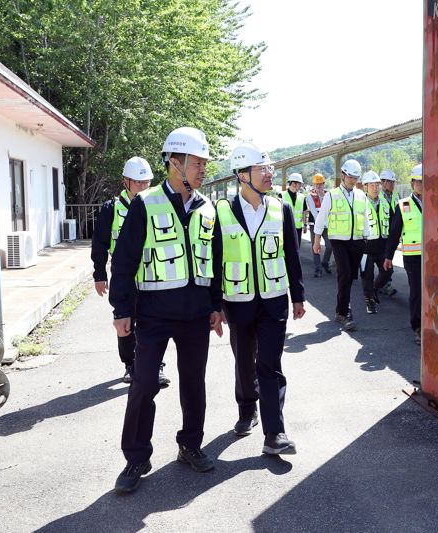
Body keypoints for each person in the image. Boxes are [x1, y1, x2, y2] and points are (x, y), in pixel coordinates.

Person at [109, 127, 224, 493]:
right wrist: (121, 310)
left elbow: (215, 260)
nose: (203, 168)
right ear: (175, 163)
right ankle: (136, 458)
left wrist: (216, 306)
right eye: (197, 162)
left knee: (194, 384)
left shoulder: (207, 208)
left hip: (196, 316)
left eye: (205, 162)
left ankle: (190, 445)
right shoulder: (147, 203)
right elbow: (124, 262)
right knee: (143, 384)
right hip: (154, 315)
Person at [217, 141, 305, 453]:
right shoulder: (222, 212)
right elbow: (215, 261)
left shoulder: (281, 208)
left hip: (273, 299)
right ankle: (246, 410)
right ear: (242, 175)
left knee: (270, 363)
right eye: (261, 168)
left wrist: (298, 296)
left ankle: (275, 433)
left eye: (269, 167)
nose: (269, 174)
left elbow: (291, 254)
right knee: (244, 361)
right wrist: (215, 306)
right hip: (238, 301)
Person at [91, 157, 169, 385]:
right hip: (124, 277)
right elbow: (100, 243)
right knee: (124, 322)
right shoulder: (112, 209)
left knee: (154, 323)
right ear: (126, 182)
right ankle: (130, 365)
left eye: (147, 182)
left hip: (152, 274)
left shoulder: (157, 206)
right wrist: (99, 274)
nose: (143, 187)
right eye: (138, 182)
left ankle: (157, 367)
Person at [312, 159, 369, 331]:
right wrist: (316, 241)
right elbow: (321, 218)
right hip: (338, 241)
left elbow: (365, 218)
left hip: (357, 241)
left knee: (350, 277)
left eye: (356, 178)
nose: (353, 180)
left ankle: (340, 309)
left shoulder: (361, 195)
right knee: (344, 275)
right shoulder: (332, 195)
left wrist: (367, 239)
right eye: (350, 177)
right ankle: (345, 313)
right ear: (343, 175)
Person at [385, 164, 424, 346]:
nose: (422, 185)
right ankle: (418, 327)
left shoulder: (436, 201)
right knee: (416, 291)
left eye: (425, 182)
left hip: (433, 256)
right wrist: (388, 256)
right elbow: (394, 233)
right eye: (419, 182)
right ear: (412, 183)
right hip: (412, 257)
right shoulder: (403, 205)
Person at [360, 171, 391, 314]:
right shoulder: (359, 203)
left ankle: (375, 289)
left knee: (387, 272)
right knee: (367, 275)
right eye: (371, 185)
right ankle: (369, 301)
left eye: (377, 184)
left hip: (382, 246)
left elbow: (392, 221)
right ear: (365, 187)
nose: (375, 187)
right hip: (365, 247)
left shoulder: (385, 202)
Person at [306, 173, 333, 277]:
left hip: (327, 226)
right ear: (313, 184)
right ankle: (318, 268)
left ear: (323, 184)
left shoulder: (328, 195)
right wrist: (322, 224)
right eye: (316, 184)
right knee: (315, 246)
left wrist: (327, 224)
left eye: (320, 184)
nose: (318, 186)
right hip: (315, 225)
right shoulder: (310, 196)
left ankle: (325, 262)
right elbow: (314, 212)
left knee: (330, 245)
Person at [378, 169, 399, 297]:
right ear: (383, 182)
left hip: (392, 234)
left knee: (387, 260)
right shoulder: (376, 196)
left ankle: (382, 283)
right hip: (381, 235)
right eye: (390, 182)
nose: (392, 184)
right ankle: (385, 285)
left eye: (393, 182)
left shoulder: (396, 195)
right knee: (385, 261)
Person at [281, 173, 307, 248]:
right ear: (293, 183)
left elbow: (304, 211)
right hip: (285, 227)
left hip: (298, 228)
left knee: (296, 248)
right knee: (285, 248)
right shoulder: (282, 195)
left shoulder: (302, 197)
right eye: (300, 184)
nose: (301, 186)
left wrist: (305, 224)